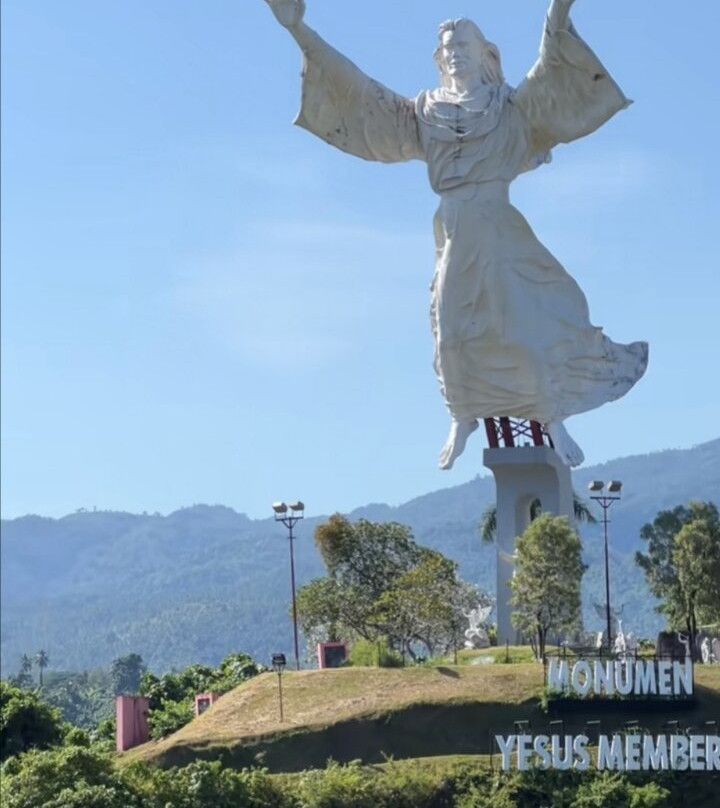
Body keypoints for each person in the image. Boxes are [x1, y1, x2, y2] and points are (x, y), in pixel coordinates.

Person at [263, 0, 648, 469]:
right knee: (449, 333)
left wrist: (557, 11)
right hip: (454, 229)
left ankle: (551, 418)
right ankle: (462, 414)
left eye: (463, 45)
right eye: (447, 48)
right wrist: (299, 30)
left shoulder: (510, 108)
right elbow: (358, 90)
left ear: (484, 53)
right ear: (439, 58)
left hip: (500, 230)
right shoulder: (425, 113)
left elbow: (551, 65)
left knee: (527, 332)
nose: (455, 54)